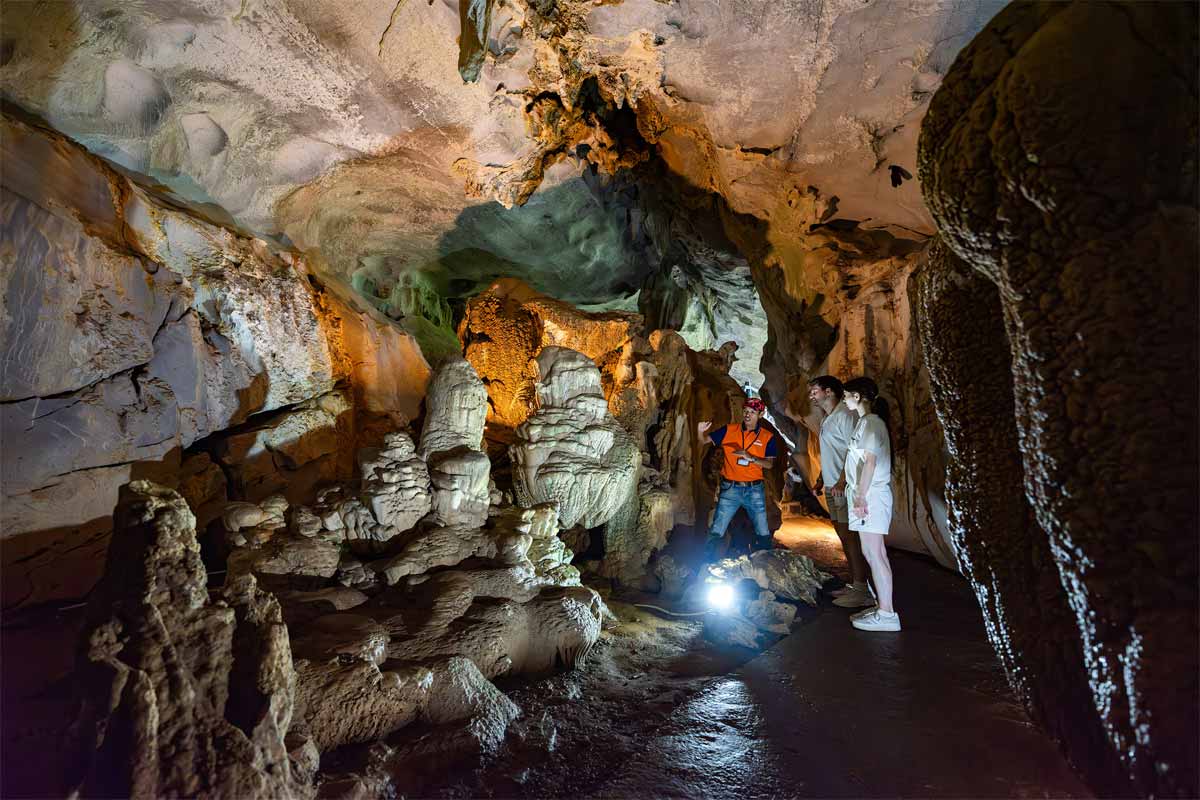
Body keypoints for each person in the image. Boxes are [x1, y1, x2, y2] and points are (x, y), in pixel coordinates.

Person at [807, 376, 872, 608]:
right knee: (843, 536)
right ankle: (856, 584)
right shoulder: (828, 418)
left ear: (829, 391)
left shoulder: (845, 415)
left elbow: (854, 451)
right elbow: (832, 452)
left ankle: (863, 589)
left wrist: (842, 482)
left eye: (815, 391)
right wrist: (822, 478)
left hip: (843, 487)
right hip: (832, 484)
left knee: (850, 537)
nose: (811, 396)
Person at [841, 377, 900, 632]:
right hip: (870, 494)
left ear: (857, 396)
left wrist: (860, 496)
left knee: (874, 554)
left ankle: (887, 614)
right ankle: (882, 607)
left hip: (871, 495)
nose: (844, 400)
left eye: (846, 395)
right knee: (875, 553)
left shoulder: (872, 423)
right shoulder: (866, 423)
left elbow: (870, 462)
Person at [698, 397, 778, 559]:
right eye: (746, 411)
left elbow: (769, 464)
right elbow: (704, 441)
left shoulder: (767, 437)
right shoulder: (729, 430)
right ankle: (706, 564)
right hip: (731, 488)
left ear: (761, 414)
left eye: (753, 412)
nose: (748, 415)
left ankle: (768, 566)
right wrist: (700, 431)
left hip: (754, 489)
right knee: (717, 527)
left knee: (762, 529)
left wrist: (751, 458)